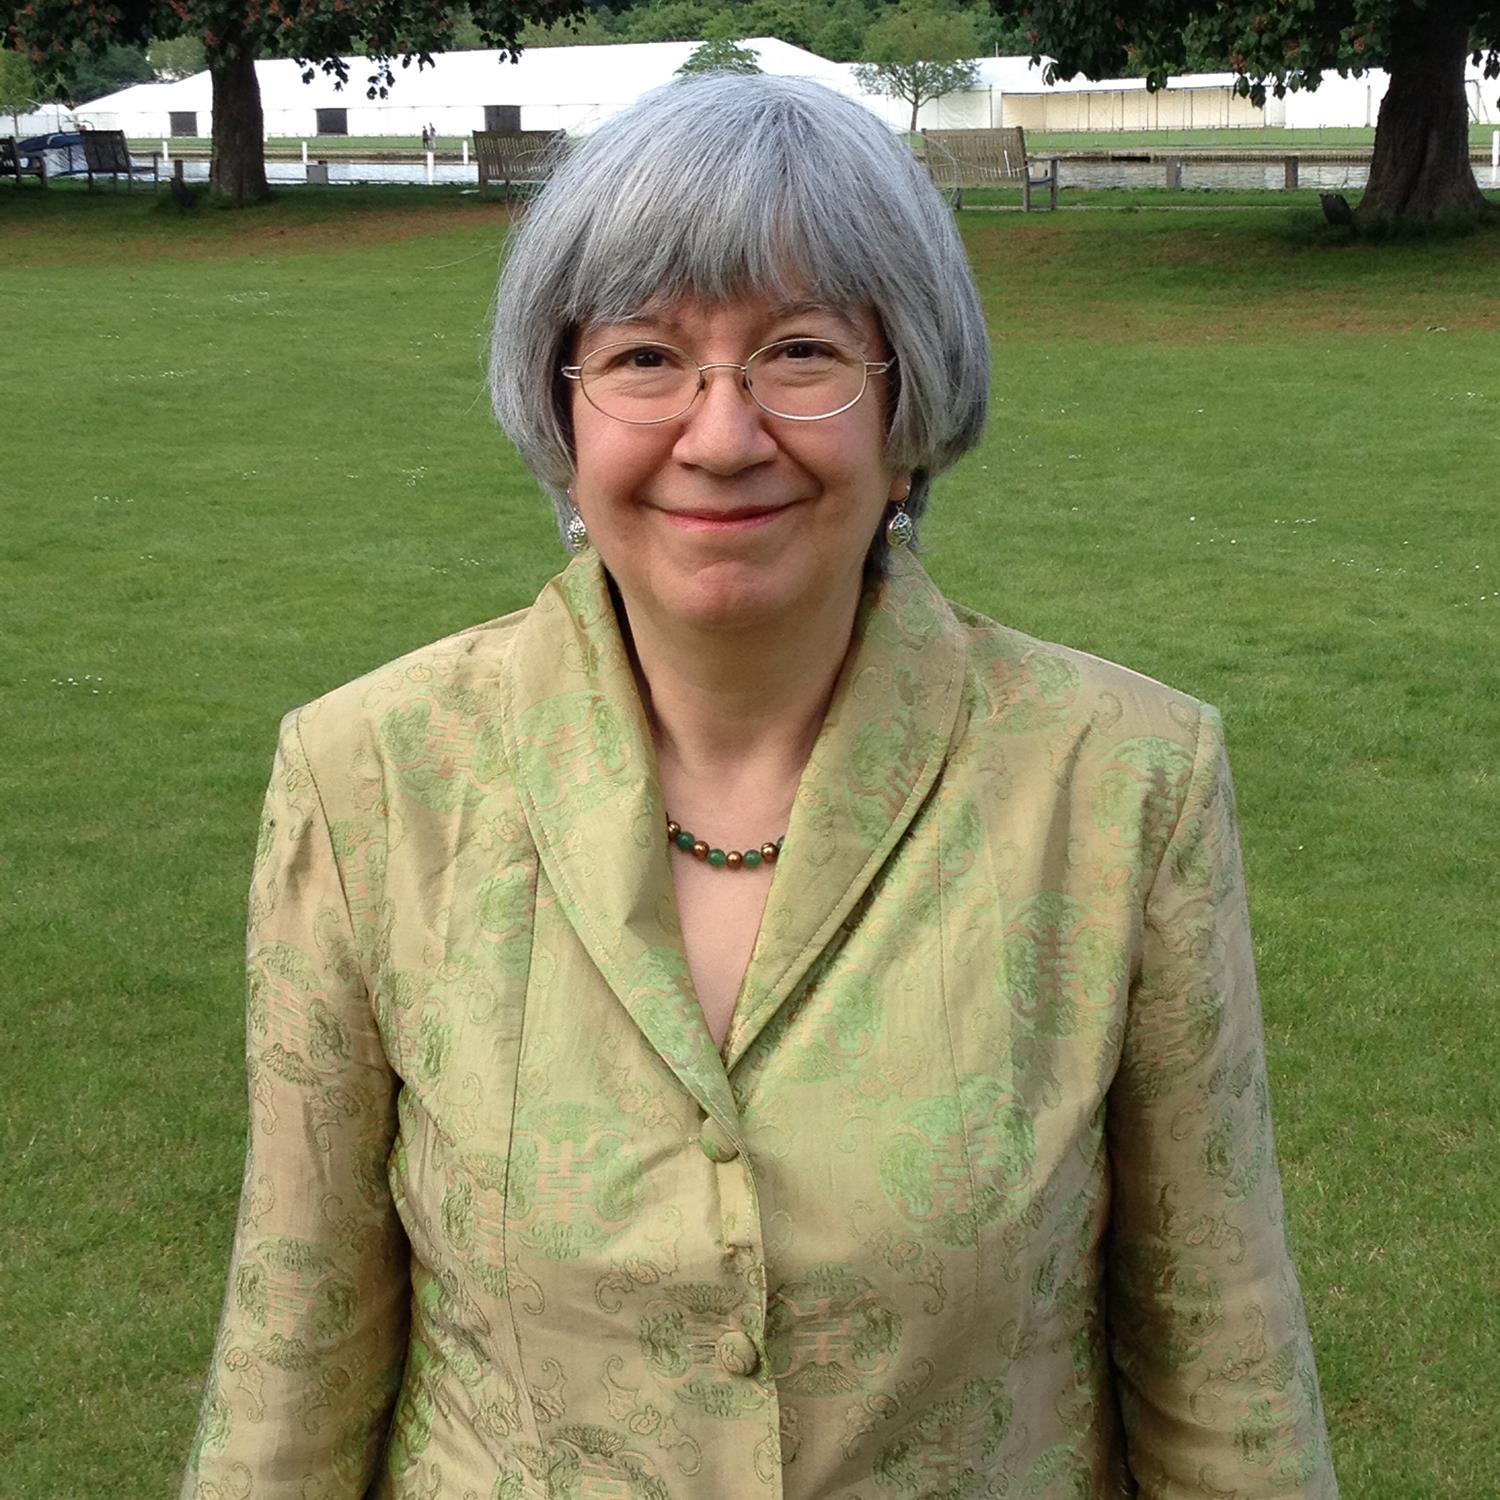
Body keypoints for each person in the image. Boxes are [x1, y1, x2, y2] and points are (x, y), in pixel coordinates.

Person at [181, 75, 1338, 1499]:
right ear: (562, 406)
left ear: (904, 399)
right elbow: (293, 1358)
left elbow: (1223, 1373)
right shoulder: (370, 777)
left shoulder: (1124, 785)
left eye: (800, 354)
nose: (721, 437)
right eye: (647, 358)